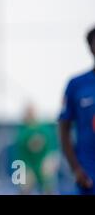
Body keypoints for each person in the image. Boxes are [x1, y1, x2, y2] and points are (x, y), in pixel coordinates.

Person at [58, 26, 95, 195]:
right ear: (90, 47)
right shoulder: (76, 84)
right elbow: (64, 128)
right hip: (89, 171)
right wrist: (76, 168)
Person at [15, 104, 58, 194]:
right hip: (29, 165)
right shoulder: (22, 132)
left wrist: (51, 161)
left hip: (43, 164)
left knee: (49, 187)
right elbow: (20, 156)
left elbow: (53, 150)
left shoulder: (44, 129)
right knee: (24, 187)